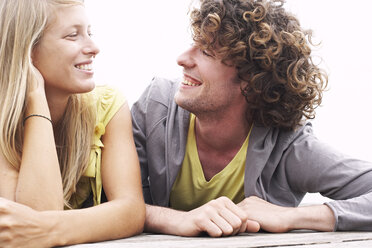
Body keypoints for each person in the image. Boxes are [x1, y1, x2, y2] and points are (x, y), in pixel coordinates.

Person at [131, 0, 372, 237]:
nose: (182, 58)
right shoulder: (156, 109)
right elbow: (108, 202)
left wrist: (288, 216)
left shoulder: (287, 147)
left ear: (252, 80)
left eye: (206, 51)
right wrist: (178, 220)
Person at [0, 0, 144, 247]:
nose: (94, 47)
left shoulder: (107, 104)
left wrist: (52, 228)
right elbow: (28, 222)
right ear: (27, 49)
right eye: (72, 35)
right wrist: (36, 97)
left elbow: (131, 210)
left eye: (89, 33)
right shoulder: (4, 116)